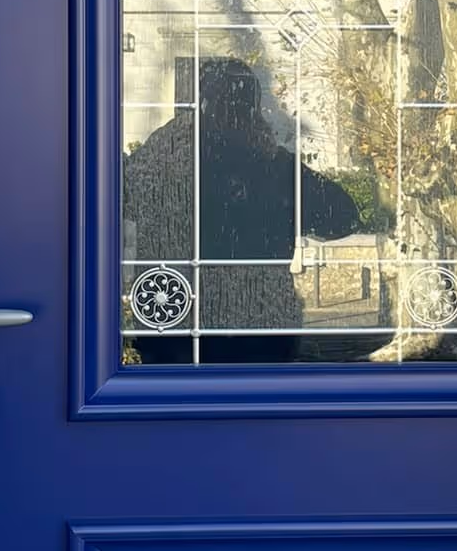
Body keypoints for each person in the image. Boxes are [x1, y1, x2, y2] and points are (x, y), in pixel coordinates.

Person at [123, 57, 360, 362]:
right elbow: (342, 216)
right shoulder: (271, 166)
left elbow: (343, 216)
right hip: (233, 324)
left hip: (185, 323)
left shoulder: (167, 160)